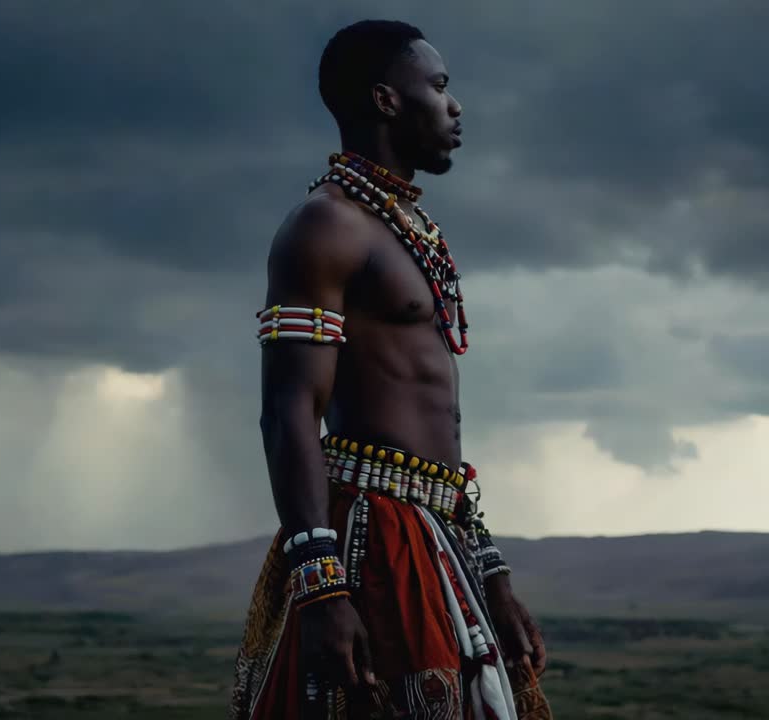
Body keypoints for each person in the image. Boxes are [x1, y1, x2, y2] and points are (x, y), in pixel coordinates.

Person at [230, 19, 552, 719]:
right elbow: (288, 408)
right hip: (370, 544)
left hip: (438, 538)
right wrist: (323, 587)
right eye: (437, 86)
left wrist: (491, 572)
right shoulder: (326, 228)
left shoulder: (407, 229)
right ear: (385, 101)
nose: (454, 105)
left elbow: (437, 445)